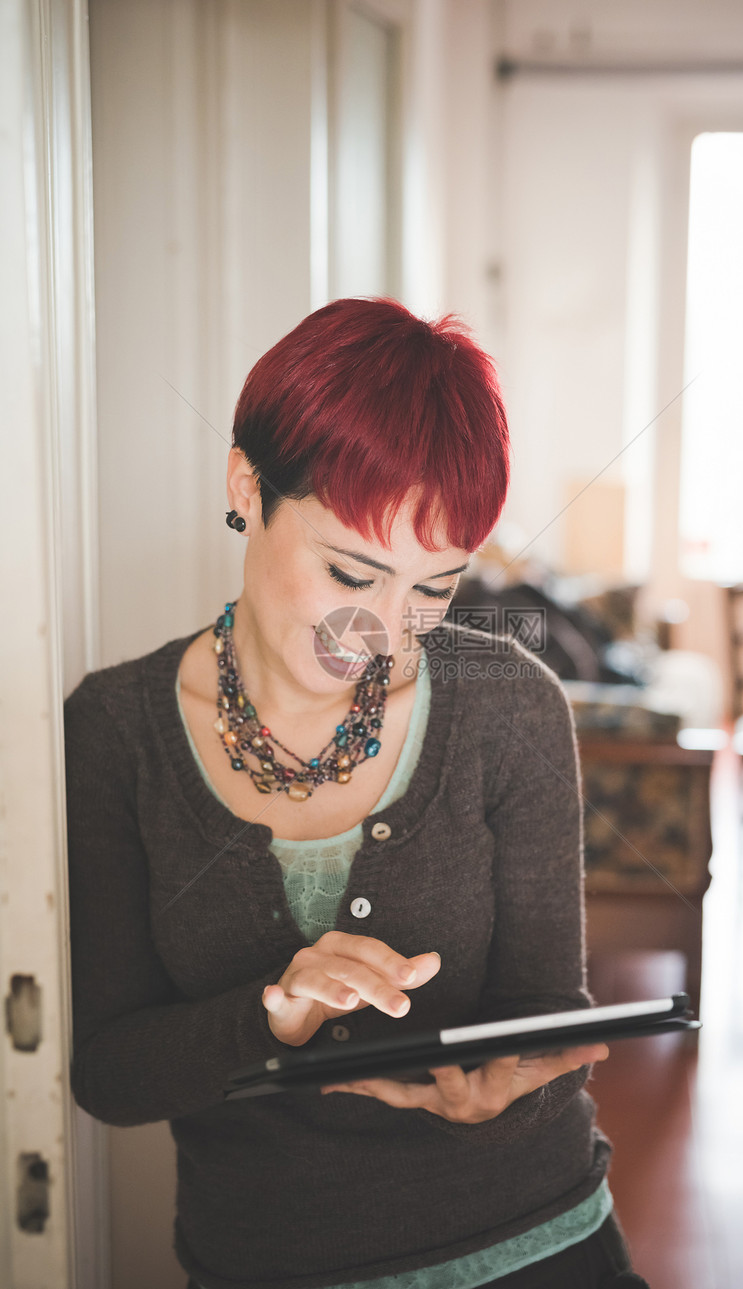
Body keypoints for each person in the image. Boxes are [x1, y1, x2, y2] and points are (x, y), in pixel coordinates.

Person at [65, 297, 649, 1289]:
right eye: (352, 569)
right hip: (272, 1257)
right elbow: (112, 1073)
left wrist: (502, 1082)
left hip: (537, 1236)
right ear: (246, 484)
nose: (383, 626)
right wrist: (274, 1008)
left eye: (433, 586)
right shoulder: (116, 731)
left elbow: (547, 1006)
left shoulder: (507, 706)